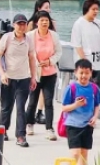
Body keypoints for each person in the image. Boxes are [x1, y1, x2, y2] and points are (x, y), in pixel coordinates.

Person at [0, 14, 37, 147]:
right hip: (8, 78)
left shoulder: (29, 40)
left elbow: (32, 58)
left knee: (20, 108)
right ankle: (3, 130)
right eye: (19, 24)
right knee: (6, 107)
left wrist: (33, 77)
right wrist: (2, 73)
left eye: (24, 24)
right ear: (14, 25)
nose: (22, 27)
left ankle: (21, 136)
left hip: (23, 78)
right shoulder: (7, 38)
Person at [24, 10, 61, 140]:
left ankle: (49, 128)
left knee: (48, 101)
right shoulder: (30, 36)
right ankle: (29, 124)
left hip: (50, 73)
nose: (44, 22)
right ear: (36, 22)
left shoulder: (54, 36)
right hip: (35, 73)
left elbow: (58, 52)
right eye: (42, 20)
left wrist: (50, 61)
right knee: (32, 101)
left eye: (46, 20)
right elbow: (27, 53)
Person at [62, 58, 100, 164]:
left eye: (87, 73)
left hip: (87, 125)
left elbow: (97, 105)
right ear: (75, 72)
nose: (84, 76)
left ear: (91, 73)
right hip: (73, 125)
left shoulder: (94, 88)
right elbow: (64, 108)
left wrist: (95, 117)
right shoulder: (71, 88)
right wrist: (76, 105)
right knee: (75, 153)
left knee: (84, 154)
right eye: (81, 73)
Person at [28, 0, 55, 125]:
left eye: (49, 7)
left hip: (49, 62)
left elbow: (56, 43)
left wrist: (51, 60)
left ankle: (40, 112)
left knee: (47, 95)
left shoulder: (52, 24)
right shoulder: (31, 25)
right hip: (35, 64)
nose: (48, 10)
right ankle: (30, 121)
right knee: (33, 97)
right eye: (46, 7)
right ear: (38, 9)